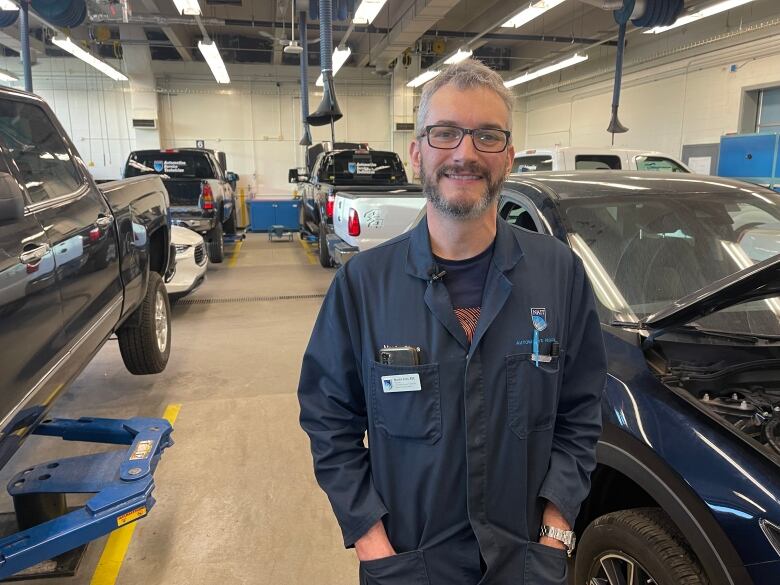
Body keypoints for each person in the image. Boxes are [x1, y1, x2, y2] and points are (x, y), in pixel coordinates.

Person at [298, 59, 606, 585]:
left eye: (486, 136)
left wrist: (557, 531)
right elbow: (329, 421)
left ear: (508, 156)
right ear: (418, 151)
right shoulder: (363, 286)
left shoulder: (560, 275)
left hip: (525, 566)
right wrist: (371, 543)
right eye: (445, 134)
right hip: (410, 567)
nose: (465, 153)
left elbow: (580, 413)